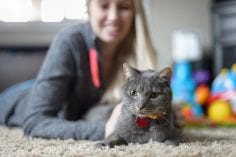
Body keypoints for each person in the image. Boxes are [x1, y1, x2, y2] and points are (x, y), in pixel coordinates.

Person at [0, 0, 178, 140]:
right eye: (103, 5)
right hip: (17, 101)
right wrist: (108, 129)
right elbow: (34, 123)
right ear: (89, 8)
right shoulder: (70, 40)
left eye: (124, 6)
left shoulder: (136, 48)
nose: (114, 16)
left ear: (134, 12)